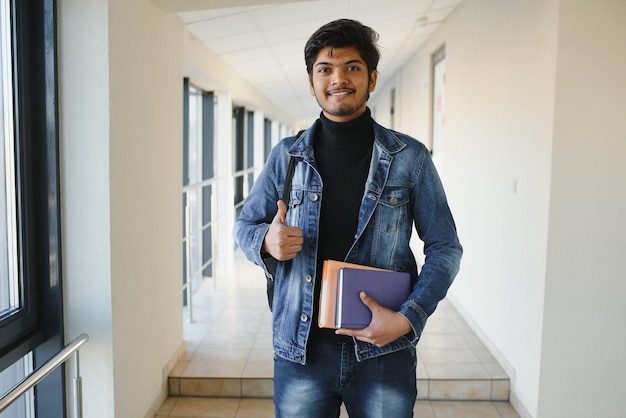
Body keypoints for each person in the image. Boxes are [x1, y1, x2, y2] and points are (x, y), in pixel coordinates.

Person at [234, 18, 462, 418]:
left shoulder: (410, 158)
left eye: (352, 67)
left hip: (383, 352)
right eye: (325, 69)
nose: (338, 78)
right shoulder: (286, 156)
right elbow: (244, 226)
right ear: (311, 82)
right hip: (301, 349)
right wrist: (266, 243)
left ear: (372, 79)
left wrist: (408, 319)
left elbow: (445, 248)